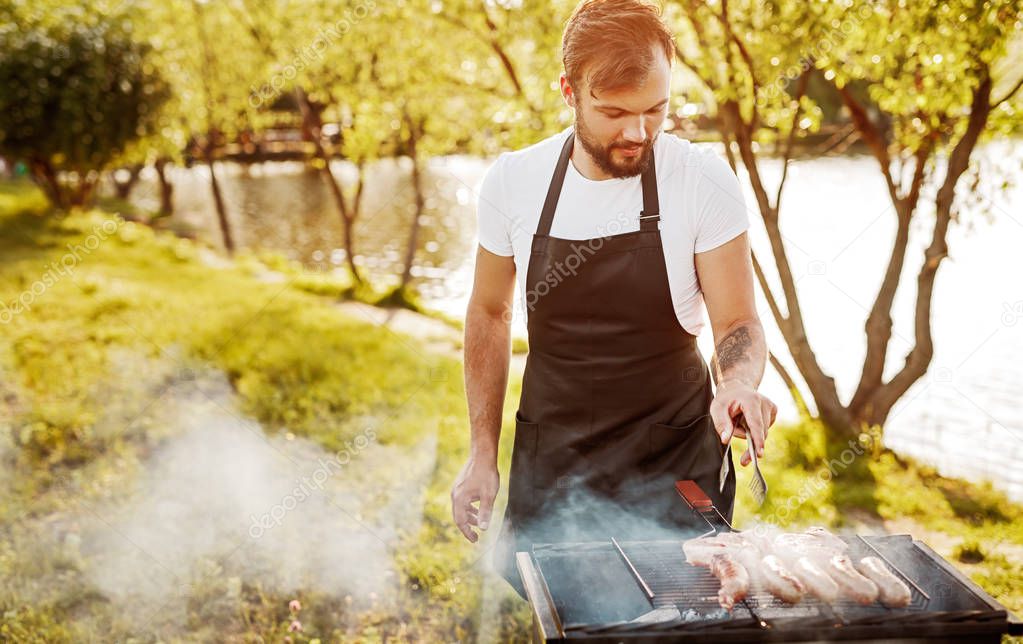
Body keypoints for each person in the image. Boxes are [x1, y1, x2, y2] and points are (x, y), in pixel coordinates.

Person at [450, 0, 777, 599]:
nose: (638, 132)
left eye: (657, 109)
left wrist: (736, 384)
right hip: (554, 455)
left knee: (679, 615)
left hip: (671, 458)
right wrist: (480, 452)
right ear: (568, 91)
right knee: (564, 612)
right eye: (614, 113)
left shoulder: (702, 180)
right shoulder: (512, 183)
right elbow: (489, 313)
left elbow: (736, 321)